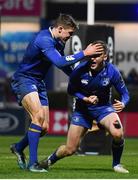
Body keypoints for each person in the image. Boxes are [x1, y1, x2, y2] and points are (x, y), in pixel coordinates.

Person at [10, 14, 104, 173]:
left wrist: (80, 81)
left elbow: (64, 66)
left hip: (39, 83)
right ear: (60, 29)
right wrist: (84, 53)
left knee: (44, 128)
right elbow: (60, 61)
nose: (70, 37)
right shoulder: (43, 39)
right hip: (24, 80)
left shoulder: (58, 42)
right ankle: (33, 164)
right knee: (38, 117)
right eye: (69, 33)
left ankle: (18, 147)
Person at [39, 40, 130, 173]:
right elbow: (71, 91)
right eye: (91, 55)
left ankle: (116, 164)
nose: (92, 59)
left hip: (104, 109)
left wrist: (123, 103)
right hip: (82, 111)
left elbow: (125, 94)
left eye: (96, 56)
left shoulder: (112, 71)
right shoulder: (80, 69)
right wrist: (85, 98)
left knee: (118, 133)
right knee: (70, 149)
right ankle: (48, 161)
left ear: (105, 56)